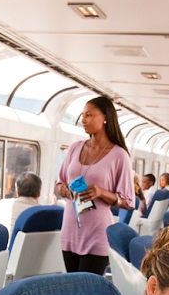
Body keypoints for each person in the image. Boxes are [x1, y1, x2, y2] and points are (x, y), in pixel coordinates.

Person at [55, 96, 135, 275]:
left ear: (105, 117)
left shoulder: (119, 155)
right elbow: (59, 181)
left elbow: (128, 201)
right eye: (82, 115)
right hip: (70, 229)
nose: (83, 120)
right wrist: (61, 189)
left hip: (97, 233)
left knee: (86, 291)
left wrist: (101, 192)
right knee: (72, 286)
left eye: (89, 115)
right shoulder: (75, 148)